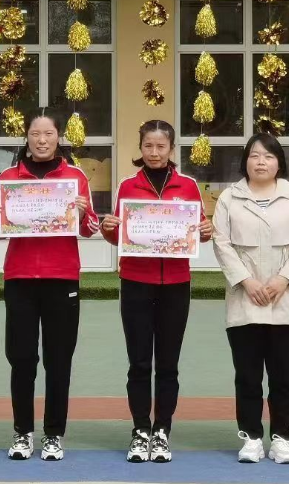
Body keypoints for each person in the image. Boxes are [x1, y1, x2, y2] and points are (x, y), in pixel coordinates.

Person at [0, 107, 99, 461]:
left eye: (48, 134)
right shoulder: (9, 177)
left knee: (58, 359)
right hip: (19, 278)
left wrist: (84, 213)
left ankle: (53, 434)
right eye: (35, 134)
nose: (42, 140)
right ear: (27, 138)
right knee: (21, 358)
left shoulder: (75, 177)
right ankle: (23, 432)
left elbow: (90, 228)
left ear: (58, 137)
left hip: (61, 277)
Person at [100, 120, 213, 463]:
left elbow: (199, 229)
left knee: (168, 364)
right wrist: (108, 229)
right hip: (135, 281)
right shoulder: (127, 186)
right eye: (148, 145)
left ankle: (162, 430)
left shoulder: (188, 186)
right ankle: (139, 430)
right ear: (141, 147)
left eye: (161, 146)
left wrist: (205, 230)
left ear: (171, 149)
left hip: (176, 284)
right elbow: (118, 236)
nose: (154, 152)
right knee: (138, 363)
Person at [212, 133, 289, 464]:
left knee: (284, 376)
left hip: (286, 299)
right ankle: (252, 437)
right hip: (246, 298)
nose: (261, 162)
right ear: (245, 161)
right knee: (248, 376)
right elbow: (221, 242)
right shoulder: (230, 198)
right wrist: (246, 280)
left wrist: (284, 279)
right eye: (254, 156)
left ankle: (282, 437)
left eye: (268, 156)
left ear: (279, 162)